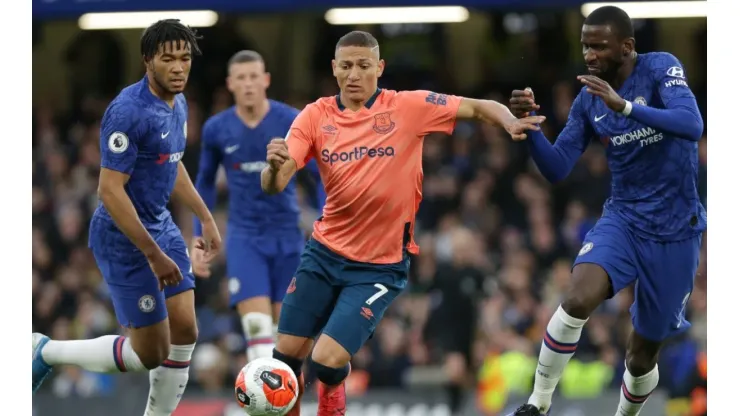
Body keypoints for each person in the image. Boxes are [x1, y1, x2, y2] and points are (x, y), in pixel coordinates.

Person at [260, 30, 543, 416]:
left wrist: (509, 121)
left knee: (326, 361)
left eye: (363, 66)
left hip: (378, 266)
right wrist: (273, 169)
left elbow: (477, 107)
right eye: (346, 66)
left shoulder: (409, 107)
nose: (354, 74)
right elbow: (277, 181)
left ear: (379, 68)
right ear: (334, 69)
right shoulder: (315, 115)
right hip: (323, 254)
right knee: (284, 363)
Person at [506, 5, 705, 416]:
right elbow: (558, 167)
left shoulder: (660, 69)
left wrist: (626, 107)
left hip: (675, 231)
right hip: (624, 219)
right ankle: (537, 403)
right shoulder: (588, 100)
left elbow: (691, 123)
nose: (590, 55)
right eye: (585, 46)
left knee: (640, 354)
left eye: (599, 46)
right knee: (578, 297)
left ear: (627, 47)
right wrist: (530, 128)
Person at [32, 19, 222, 416]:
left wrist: (205, 215)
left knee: (186, 328)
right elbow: (110, 190)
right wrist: (154, 255)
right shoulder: (127, 112)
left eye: (185, 58)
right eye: (168, 59)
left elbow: (172, 164)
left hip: (159, 224)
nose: (179, 67)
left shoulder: (180, 102)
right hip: (123, 236)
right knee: (151, 353)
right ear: (147, 60)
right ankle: (46, 350)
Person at [192, 50, 325, 362]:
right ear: (230, 84)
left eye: (254, 77)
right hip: (245, 238)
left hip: (287, 236)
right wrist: (199, 235)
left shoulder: (291, 120)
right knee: (256, 326)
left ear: (265, 80)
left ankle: (285, 405)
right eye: (241, 78)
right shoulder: (216, 129)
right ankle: (265, 408)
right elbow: (206, 183)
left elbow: (320, 176)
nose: (248, 84)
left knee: (288, 335)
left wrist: (325, 221)